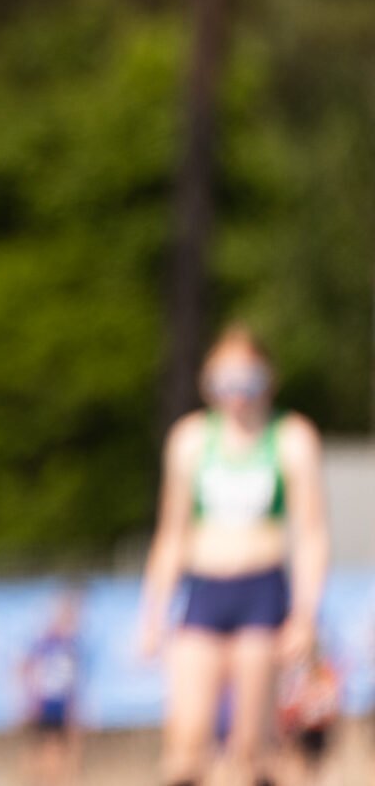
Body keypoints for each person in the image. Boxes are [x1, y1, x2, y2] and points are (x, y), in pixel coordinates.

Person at [136, 326, 329, 786]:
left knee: (251, 747)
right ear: (208, 384)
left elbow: (311, 533)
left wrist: (305, 615)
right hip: (204, 592)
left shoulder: (292, 438)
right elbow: (171, 534)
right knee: (185, 746)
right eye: (226, 382)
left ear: (268, 380)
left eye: (249, 381)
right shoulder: (190, 440)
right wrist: (153, 613)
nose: (238, 395)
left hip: (260, 594)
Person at [19, 588, 85, 786]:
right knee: (44, 749)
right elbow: (26, 669)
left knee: (66, 748)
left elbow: (73, 680)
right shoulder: (44, 642)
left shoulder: (72, 645)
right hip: (45, 703)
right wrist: (30, 699)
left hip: (63, 704)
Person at [274, 643, 340, 786]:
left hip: (316, 728)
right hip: (297, 726)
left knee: (315, 764)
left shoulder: (324, 671)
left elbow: (330, 700)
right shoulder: (296, 670)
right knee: (295, 761)